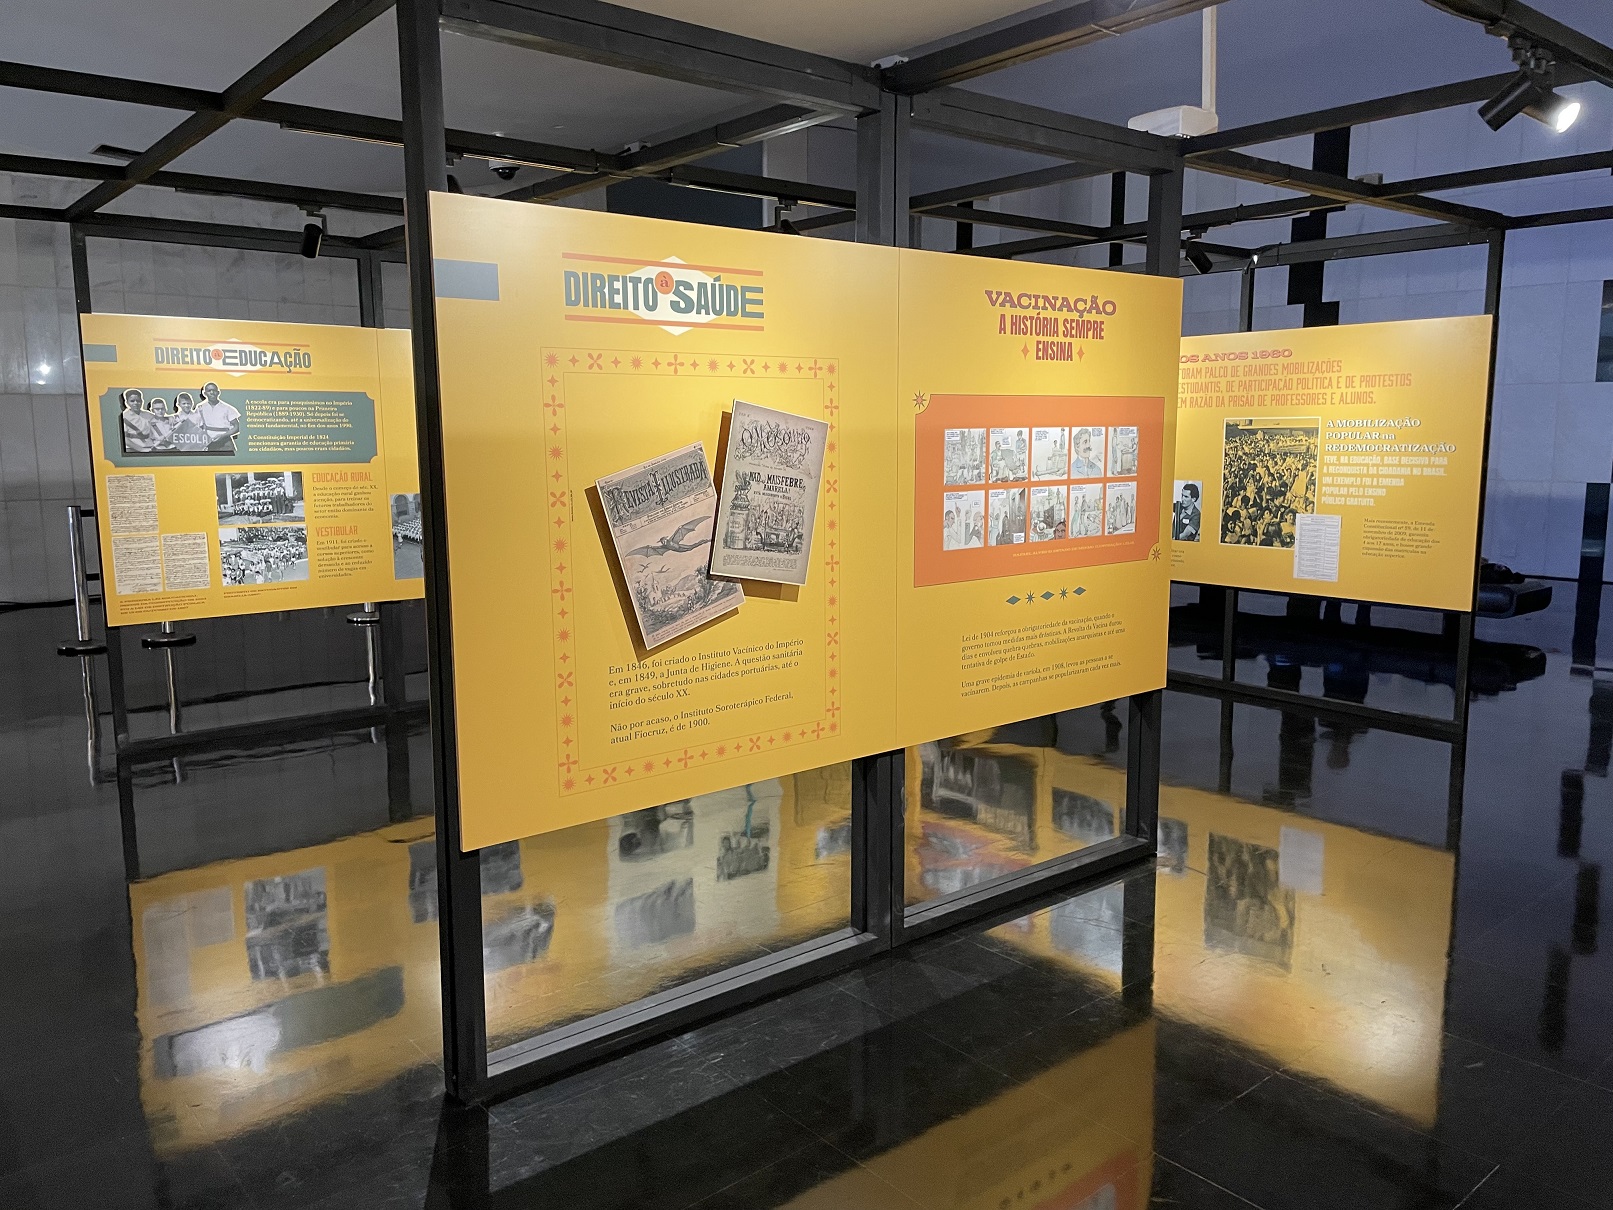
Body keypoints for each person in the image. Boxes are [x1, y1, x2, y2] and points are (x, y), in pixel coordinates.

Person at [197, 382, 241, 454]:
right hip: (208, 443)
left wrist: (222, 436)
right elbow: (197, 425)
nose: (212, 393)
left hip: (225, 442)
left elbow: (236, 427)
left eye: (214, 390)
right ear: (204, 393)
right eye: (209, 391)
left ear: (218, 393)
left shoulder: (227, 408)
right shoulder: (200, 408)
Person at [119, 389, 158, 454]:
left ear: (142, 401)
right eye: (132, 401)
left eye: (138, 401)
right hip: (131, 450)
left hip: (149, 447)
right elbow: (124, 439)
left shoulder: (149, 415)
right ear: (127, 402)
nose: (135, 403)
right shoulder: (124, 417)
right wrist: (141, 449)